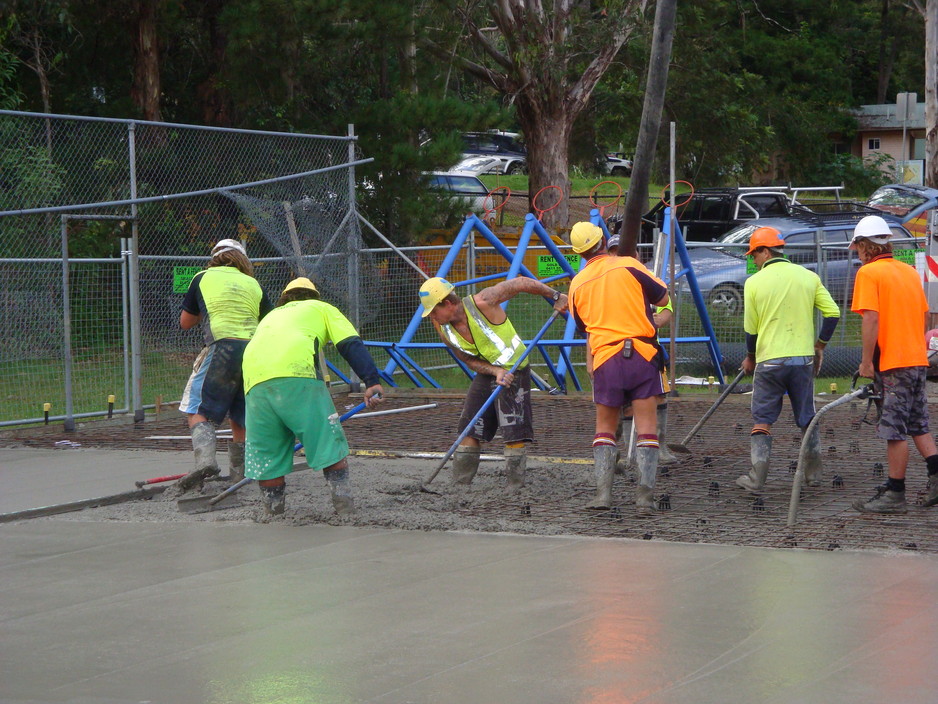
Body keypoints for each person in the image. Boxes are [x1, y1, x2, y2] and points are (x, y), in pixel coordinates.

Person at [241, 277, 384, 516]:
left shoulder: (270, 316)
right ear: (314, 296)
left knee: (268, 457)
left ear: (286, 298)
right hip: (297, 375)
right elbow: (349, 344)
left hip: (254, 383)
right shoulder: (322, 308)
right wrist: (371, 381)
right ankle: (344, 508)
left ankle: (273, 514)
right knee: (328, 444)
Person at [418, 275, 568, 491]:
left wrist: (556, 295)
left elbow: (520, 283)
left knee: (513, 428)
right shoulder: (442, 326)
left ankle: (514, 485)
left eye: (434, 310)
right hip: (489, 371)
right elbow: (468, 359)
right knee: (469, 426)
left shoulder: (483, 302)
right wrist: (495, 370)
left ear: (448, 303)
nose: (432, 316)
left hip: (515, 369)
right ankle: (461, 483)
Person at [567, 221, 670, 511]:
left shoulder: (577, 283)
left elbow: (583, 326)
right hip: (641, 354)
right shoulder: (628, 264)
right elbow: (663, 298)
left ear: (580, 253)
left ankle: (603, 495)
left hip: (605, 359)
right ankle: (645, 499)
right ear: (602, 241)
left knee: (604, 429)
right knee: (647, 430)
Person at [737, 226, 840, 493]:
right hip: (802, 361)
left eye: (754, 255)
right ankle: (813, 475)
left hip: (769, 362)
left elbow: (752, 330)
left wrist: (750, 358)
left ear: (765, 251)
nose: (754, 260)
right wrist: (819, 345)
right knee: (807, 417)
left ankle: (757, 478)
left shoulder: (754, 283)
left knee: (762, 419)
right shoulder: (808, 277)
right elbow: (832, 314)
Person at [848, 215, 938, 513]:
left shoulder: (869, 274)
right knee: (917, 423)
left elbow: (871, 318)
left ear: (866, 246)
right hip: (916, 359)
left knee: (894, 429)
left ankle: (895, 492)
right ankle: (937, 475)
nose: (857, 253)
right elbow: (924, 316)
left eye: (858, 247)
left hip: (892, 363)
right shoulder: (909, 272)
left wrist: (865, 362)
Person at [177, 239, 272, 491]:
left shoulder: (202, 277)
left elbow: (186, 322)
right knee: (240, 412)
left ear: (215, 258)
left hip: (221, 347)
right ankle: (239, 474)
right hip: (252, 351)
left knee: (196, 406)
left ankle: (206, 461)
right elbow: (267, 321)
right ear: (242, 259)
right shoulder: (253, 284)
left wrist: (205, 311)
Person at [605, 233, 679, 468]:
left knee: (659, 396)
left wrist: (660, 319)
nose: (622, 255)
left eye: (626, 251)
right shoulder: (606, 283)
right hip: (615, 350)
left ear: (636, 254)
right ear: (610, 254)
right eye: (617, 251)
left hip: (647, 349)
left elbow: (667, 304)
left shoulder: (647, 278)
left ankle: (660, 446)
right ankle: (624, 452)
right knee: (621, 404)